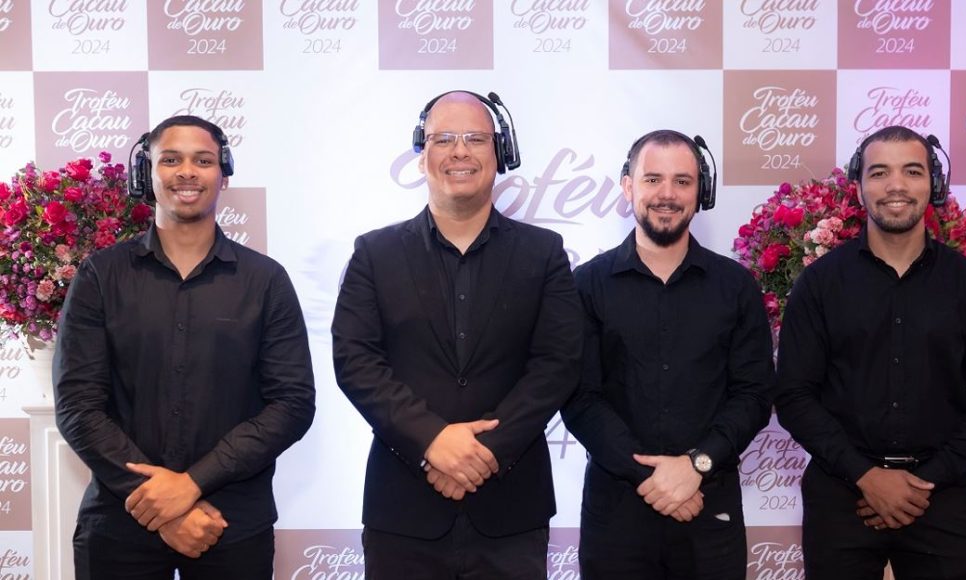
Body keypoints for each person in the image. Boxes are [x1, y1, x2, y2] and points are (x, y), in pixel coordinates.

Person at [331, 90, 583, 579]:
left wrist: (484, 453)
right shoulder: (374, 254)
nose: (460, 151)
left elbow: (558, 364)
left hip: (512, 511)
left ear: (501, 151)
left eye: (475, 138)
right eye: (443, 139)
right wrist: (432, 442)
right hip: (402, 510)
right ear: (421, 152)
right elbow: (356, 362)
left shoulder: (544, 252)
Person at [54, 115, 316, 579]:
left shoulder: (266, 281)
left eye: (204, 160)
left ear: (224, 174)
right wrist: (162, 503)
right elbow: (77, 405)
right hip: (119, 523)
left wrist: (193, 483)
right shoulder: (100, 275)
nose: (187, 172)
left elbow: (292, 403)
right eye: (171, 160)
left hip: (231, 524)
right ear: (146, 173)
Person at [775, 125, 966, 579]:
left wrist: (926, 481)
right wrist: (865, 475)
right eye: (879, 172)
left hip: (942, 495)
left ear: (934, 184)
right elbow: (793, 395)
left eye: (912, 171)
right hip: (841, 494)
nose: (896, 185)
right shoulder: (820, 283)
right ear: (858, 187)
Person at [561, 129, 775, 579]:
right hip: (615, 514)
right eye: (653, 179)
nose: (667, 194)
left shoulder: (736, 286)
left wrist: (697, 466)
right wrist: (654, 479)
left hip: (710, 507)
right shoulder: (587, 284)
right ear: (628, 187)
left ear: (702, 192)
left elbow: (754, 394)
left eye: (682, 181)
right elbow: (580, 398)